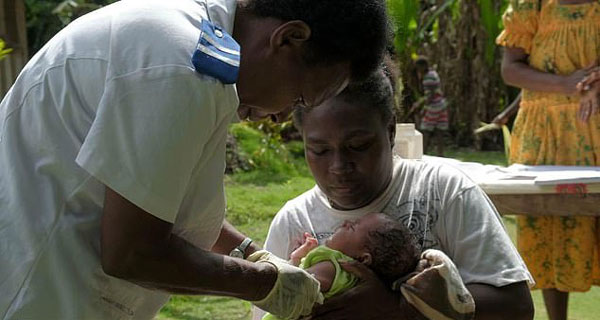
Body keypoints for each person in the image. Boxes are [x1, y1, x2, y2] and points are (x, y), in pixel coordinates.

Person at [0, 0, 390, 318]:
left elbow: (154, 195)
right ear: (288, 39)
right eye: (300, 98)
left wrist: (250, 252)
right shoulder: (182, 67)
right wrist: (263, 284)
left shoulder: (196, 48)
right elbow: (132, 252)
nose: (283, 114)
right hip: (32, 295)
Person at [255, 66, 535, 320]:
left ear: (389, 131)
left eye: (358, 145)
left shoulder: (444, 191)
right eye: (319, 150)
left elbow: (516, 307)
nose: (339, 167)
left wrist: (399, 308)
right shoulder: (294, 221)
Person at [497, 1, 600, 319]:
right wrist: (568, 84)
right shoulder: (532, 6)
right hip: (543, 134)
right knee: (549, 226)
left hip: (595, 123)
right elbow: (510, 69)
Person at [262, 213, 422, 320]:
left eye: (352, 227)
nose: (345, 223)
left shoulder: (335, 266)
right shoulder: (355, 281)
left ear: (363, 258)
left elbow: (294, 284)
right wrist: (296, 259)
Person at [413, 56, 448, 156]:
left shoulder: (427, 77)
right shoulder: (434, 73)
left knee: (425, 130)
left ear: (423, 66)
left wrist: (424, 109)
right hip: (441, 104)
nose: (418, 70)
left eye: (418, 67)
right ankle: (441, 154)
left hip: (434, 106)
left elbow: (430, 96)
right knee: (439, 131)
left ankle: (422, 153)